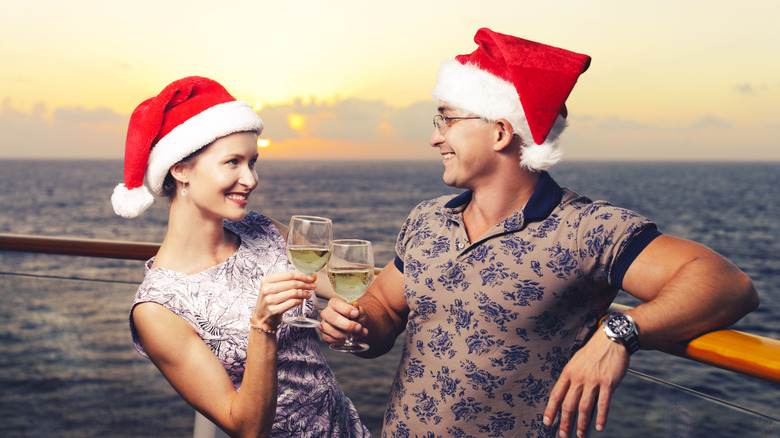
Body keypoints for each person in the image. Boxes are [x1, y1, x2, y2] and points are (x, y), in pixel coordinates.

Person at [320, 28, 759, 438]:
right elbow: (385, 308)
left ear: (500, 132)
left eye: (446, 120)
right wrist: (357, 328)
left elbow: (729, 285)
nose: (435, 138)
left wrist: (620, 335)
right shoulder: (428, 218)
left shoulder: (584, 229)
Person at [112, 76, 369, 437]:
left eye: (253, 162)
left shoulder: (262, 230)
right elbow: (246, 427)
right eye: (232, 162)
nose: (251, 179)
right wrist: (262, 326)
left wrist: (351, 317)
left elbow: (351, 288)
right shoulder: (157, 309)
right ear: (180, 169)